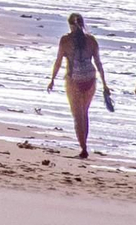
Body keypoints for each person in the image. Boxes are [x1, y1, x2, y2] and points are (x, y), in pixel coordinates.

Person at [47, 11, 109, 159]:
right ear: (82, 24)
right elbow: (98, 63)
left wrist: (52, 79)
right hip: (90, 80)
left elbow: (58, 62)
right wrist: (105, 84)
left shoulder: (65, 40)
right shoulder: (92, 40)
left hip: (73, 80)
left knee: (77, 116)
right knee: (84, 114)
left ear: (70, 25)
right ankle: (84, 144)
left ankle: (83, 148)